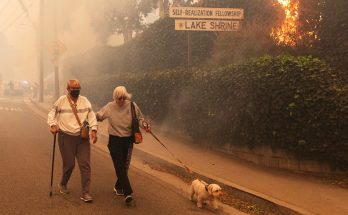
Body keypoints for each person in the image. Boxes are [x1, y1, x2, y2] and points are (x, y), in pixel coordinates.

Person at [96, 86, 150, 204]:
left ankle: (118, 186)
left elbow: (140, 118)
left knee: (124, 167)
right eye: (119, 98)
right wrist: (89, 117)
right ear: (114, 97)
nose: (121, 100)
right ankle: (128, 192)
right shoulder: (109, 106)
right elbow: (99, 116)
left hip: (128, 140)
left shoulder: (132, 105)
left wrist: (144, 125)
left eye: (123, 98)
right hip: (114, 140)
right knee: (119, 166)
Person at [47, 79, 98, 203]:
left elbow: (91, 116)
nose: (76, 90)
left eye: (78, 88)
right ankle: (63, 183)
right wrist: (53, 125)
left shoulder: (84, 101)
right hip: (66, 136)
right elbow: (51, 113)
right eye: (74, 88)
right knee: (69, 164)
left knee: (85, 165)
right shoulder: (61, 101)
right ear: (68, 89)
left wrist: (94, 130)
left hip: (82, 138)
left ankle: (85, 193)